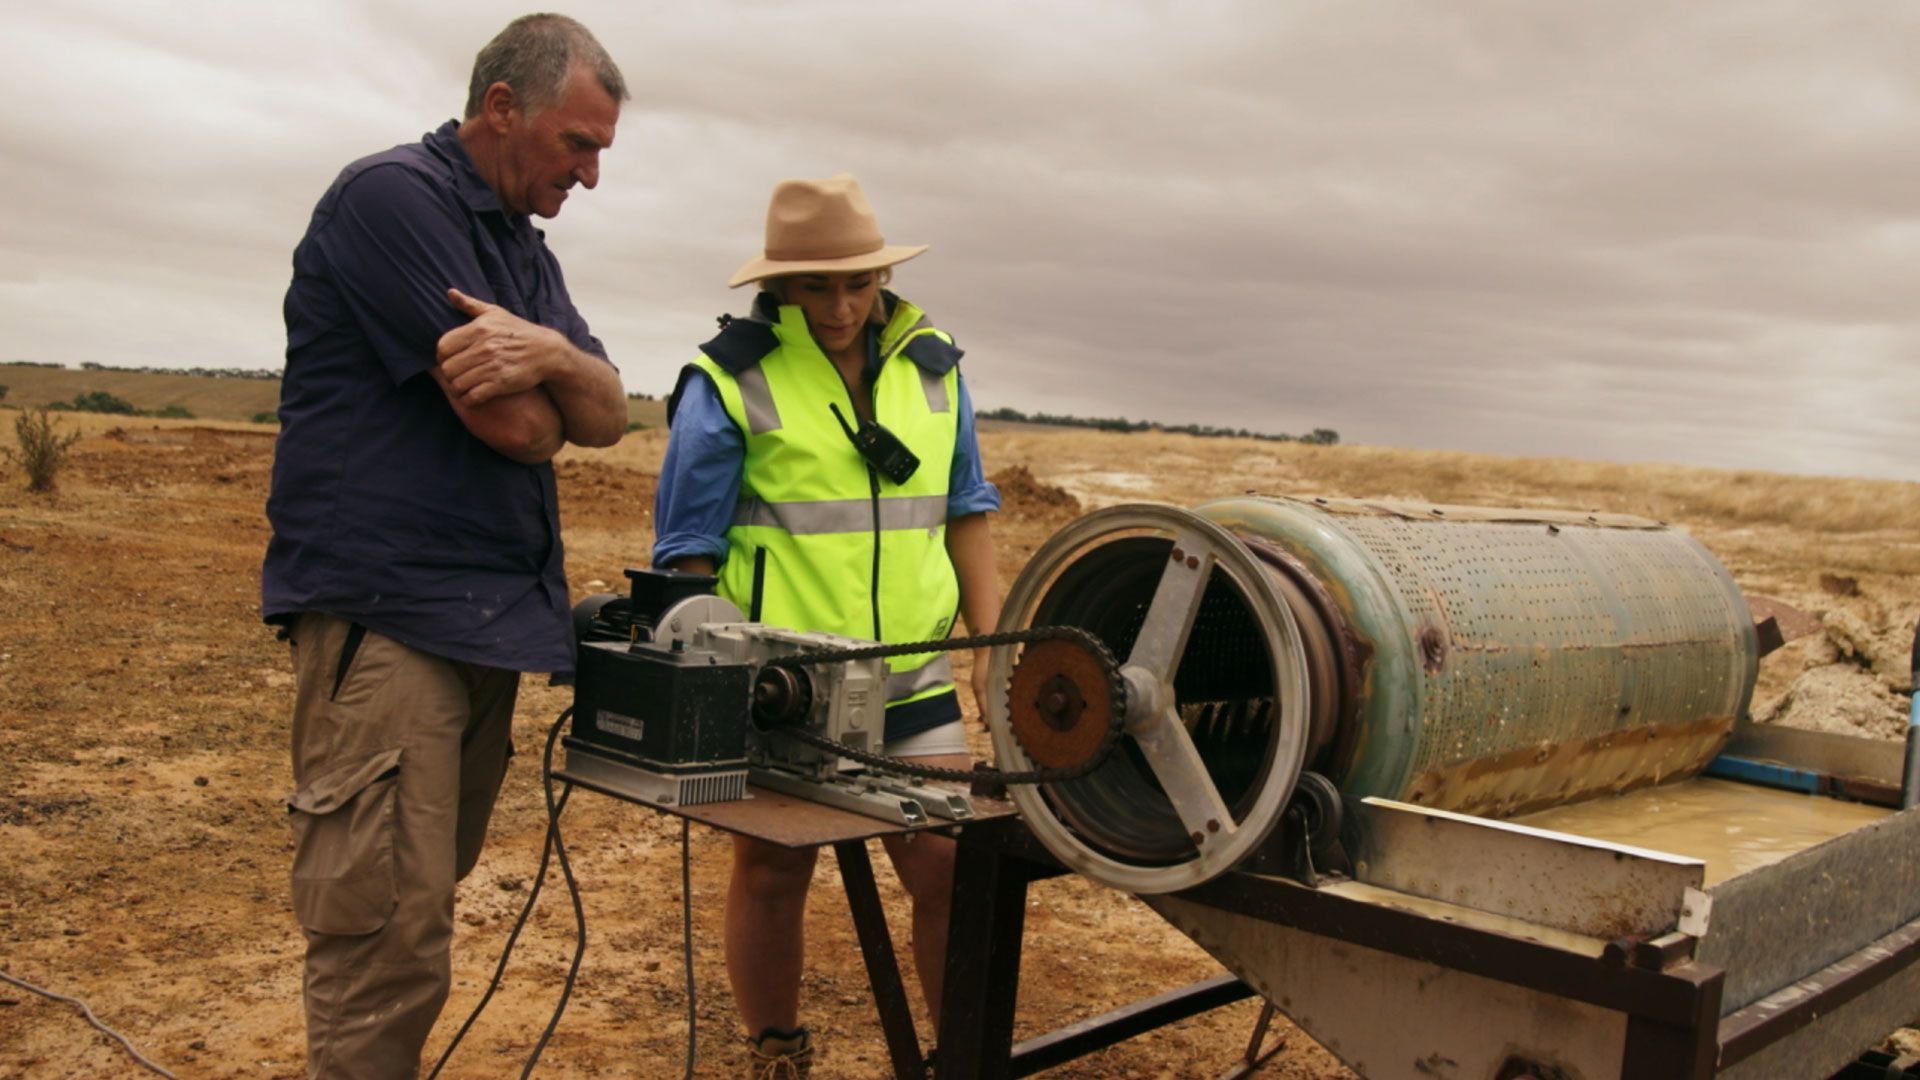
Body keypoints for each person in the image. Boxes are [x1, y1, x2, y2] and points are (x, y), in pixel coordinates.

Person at [260, 14, 629, 1077]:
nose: (591, 176)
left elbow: (604, 415)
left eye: (601, 151)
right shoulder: (391, 200)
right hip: (391, 617)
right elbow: (521, 429)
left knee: (420, 899)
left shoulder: (521, 249)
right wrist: (552, 395)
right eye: (577, 144)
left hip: (480, 622)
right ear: (502, 108)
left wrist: (550, 350)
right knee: (385, 934)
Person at [653, 174, 1003, 1078]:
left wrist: (992, 660)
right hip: (784, 689)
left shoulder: (936, 370)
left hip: (913, 679)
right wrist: (710, 687)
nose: (842, 305)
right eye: (816, 285)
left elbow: (967, 512)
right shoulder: (728, 382)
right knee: (774, 872)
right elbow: (686, 555)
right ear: (778, 286)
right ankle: (776, 1052)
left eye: (858, 282)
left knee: (946, 868)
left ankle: (953, 1054)